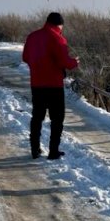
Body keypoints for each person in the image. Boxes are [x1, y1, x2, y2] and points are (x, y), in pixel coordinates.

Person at [22, 12, 79, 159]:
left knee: (37, 117)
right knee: (57, 118)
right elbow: (64, 62)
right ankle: (53, 151)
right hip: (54, 85)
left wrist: (37, 67)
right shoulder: (58, 38)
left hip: (37, 84)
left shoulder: (32, 37)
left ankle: (35, 149)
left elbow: (25, 57)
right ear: (59, 24)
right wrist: (75, 62)